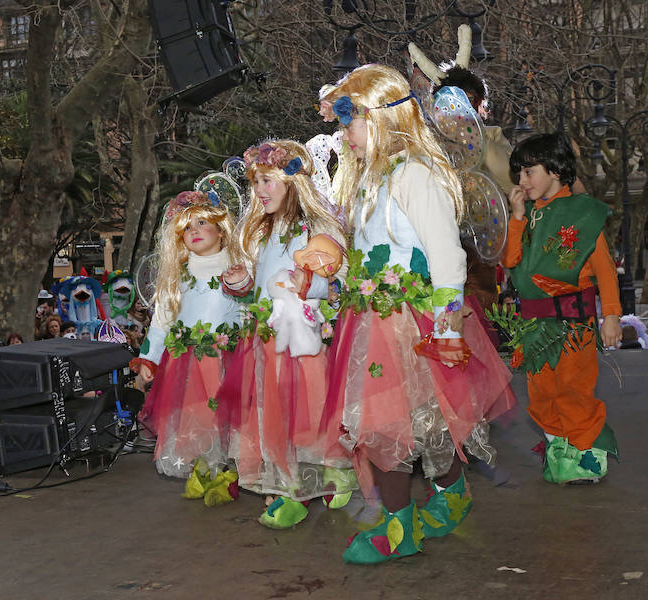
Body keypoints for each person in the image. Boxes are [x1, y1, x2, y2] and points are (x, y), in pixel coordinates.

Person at [318, 64, 515, 563]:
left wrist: (448, 322)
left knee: (405, 426)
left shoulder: (414, 175)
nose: (345, 135)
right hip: (372, 321)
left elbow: (447, 255)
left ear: (383, 118)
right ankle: (448, 499)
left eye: (351, 122)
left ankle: (403, 527)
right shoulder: (369, 180)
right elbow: (365, 249)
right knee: (406, 426)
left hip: (417, 322)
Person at [219, 139, 357, 528]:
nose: (259, 191)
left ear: (293, 181)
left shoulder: (320, 227)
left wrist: (308, 284)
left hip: (304, 342)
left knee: (310, 417)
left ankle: (332, 471)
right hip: (265, 341)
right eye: (256, 182)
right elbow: (258, 285)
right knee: (272, 420)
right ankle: (290, 489)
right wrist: (240, 282)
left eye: (267, 180)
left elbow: (342, 283)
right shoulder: (261, 232)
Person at [501, 132, 621, 485]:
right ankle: (559, 449)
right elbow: (511, 259)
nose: (522, 182)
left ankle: (586, 456)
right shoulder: (529, 216)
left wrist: (610, 315)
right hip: (534, 326)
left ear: (554, 170)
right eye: (519, 175)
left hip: (573, 326)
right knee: (541, 395)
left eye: (529, 172)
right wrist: (517, 216)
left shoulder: (583, 213)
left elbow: (604, 269)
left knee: (574, 389)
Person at [131, 191, 243, 506]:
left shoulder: (238, 268)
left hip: (229, 358)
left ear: (222, 229)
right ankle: (208, 469)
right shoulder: (177, 275)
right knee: (198, 420)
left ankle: (232, 472)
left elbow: (250, 307)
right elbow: (162, 320)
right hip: (189, 363)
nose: (193, 231)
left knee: (232, 420)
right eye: (187, 226)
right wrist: (148, 359)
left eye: (202, 223)